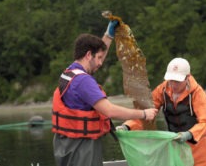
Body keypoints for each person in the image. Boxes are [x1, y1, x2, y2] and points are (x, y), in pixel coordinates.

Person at [51, 20, 158, 166]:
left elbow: (96, 55)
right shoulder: (84, 82)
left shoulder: (69, 72)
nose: (101, 63)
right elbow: (109, 111)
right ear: (88, 55)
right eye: (100, 58)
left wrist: (108, 36)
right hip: (81, 147)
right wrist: (144, 114)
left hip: (66, 145)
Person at [117, 57, 206, 166]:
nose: (173, 85)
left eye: (177, 81)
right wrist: (128, 126)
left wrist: (188, 134)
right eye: (171, 80)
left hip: (203, 152)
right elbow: (146, 112)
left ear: (187, 77)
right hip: (179, 149)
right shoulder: (162, 90)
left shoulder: (198, 94)